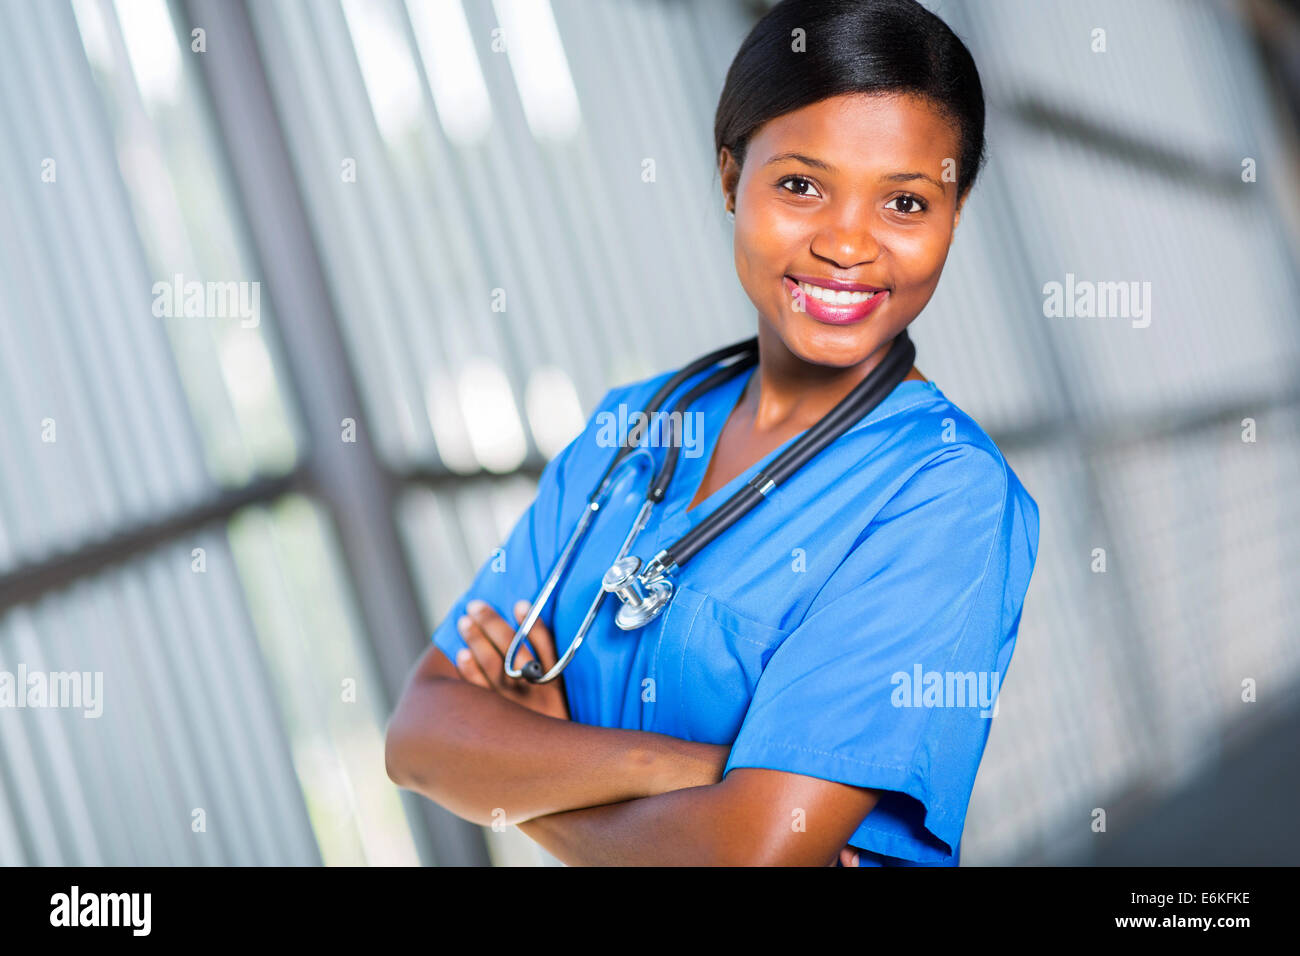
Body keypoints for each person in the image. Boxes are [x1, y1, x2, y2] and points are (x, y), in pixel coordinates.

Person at [385, 0, 1040, 867]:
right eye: (802, 185)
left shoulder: (946, 493)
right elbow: (420, 734)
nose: (848, 244)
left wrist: (526, 780)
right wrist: (682, 770)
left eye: (907, 202)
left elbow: (753, 855)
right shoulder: (635, 425)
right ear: (730, 179)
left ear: (954, 215)